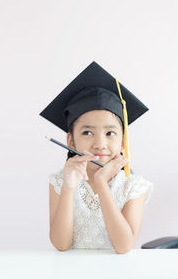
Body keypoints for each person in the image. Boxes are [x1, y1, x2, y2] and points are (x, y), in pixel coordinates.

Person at [39, 61, 154, 254]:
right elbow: (61, 244)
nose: (100, 143)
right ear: (71, 140)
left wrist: (101, 182)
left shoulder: (133, 186)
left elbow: (123, 246)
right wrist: (68, 188)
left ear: (123, 141)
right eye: (87, 133)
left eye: (110, 133)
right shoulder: (60, 182)